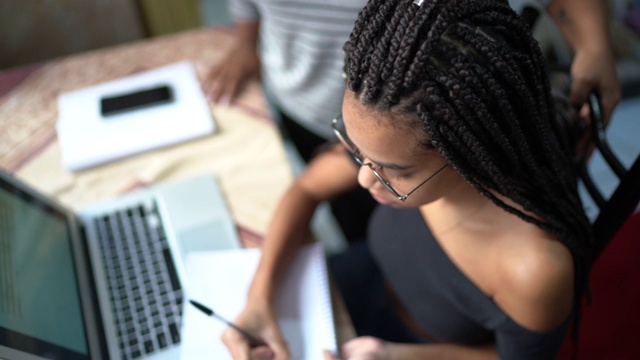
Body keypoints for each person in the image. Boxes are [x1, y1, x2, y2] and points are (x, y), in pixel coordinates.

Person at [220, 0, 597, 359]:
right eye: (355, 149)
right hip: (359, 285)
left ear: (470, 153)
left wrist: (395, 355)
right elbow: (307, 188)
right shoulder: (390, 134)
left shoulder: (534, 270)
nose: (365, 178)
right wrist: (259, 298)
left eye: (395, 171)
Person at [205, 0, 619, 242]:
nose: (367, 177)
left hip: (415, 121)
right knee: (367, 220)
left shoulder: (527, 265)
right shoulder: (372, 156)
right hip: (353, 117)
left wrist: (597, 46)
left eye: (391, 171)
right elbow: (316, 185)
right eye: (360, 157)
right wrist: (246, 38)